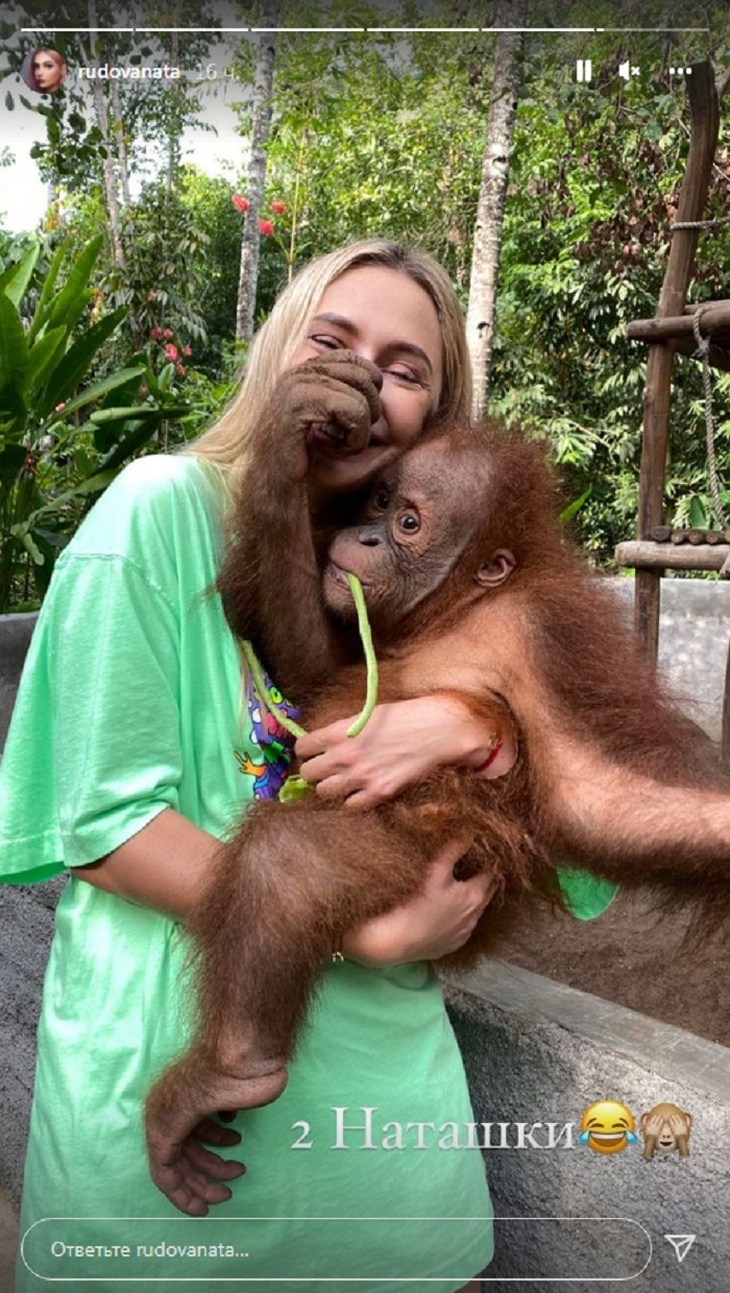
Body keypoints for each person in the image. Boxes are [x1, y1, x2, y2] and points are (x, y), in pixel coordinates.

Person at [1, 240, 521, 1292]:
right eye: (332, 343)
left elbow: (586, 806)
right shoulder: (159, 509)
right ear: (279, 356)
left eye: (405, 369)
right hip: (178, 1107)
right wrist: (359, 926)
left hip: (383, 1116)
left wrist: (482, 722)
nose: (363, 382)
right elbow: (102, 827)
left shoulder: (427, 570)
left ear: (435, 416)